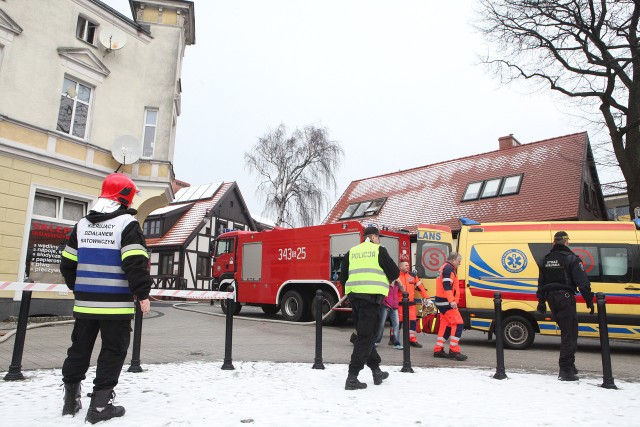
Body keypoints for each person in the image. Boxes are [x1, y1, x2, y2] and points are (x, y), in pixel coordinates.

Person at [60, 173, 152, 423]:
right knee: (112, 352)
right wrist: (143, 293)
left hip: (85, 304)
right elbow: (135, 262)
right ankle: (99, 408)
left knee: (78, 350)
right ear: (126, 198)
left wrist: (79, 289)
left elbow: (67, 264)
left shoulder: (82, 225)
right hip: (116, 306)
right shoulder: (127, 225)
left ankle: (70, 401)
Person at [339, 225, 400, 390]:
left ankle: (376, 371)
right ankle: (352, 378)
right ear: (373, 237)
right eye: (378, 237)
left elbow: (342, 277)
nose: (379, 240)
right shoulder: (379, 250)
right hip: (371, 301)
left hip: (356, 300)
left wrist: (352, 293)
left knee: (366, 336)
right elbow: (394, 273)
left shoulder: (352, 251)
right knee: (365, 338)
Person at [537, 231, 594, 381]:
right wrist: (589, 300)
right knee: (570, 333)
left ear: (554, 243)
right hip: (565, 298)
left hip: (551, 299)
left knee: (566, 332)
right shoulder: (571, 259)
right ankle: (565, 369)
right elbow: (582, 282)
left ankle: (570, 365)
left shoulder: (545, 259)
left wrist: (541, 302)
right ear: (566, 242)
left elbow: (541, 283)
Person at [433, 252, 467, 361]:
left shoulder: (444, 267)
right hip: (446, 302)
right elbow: (447, 286)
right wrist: (452, 301)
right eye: (459, 261)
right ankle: (454, 350)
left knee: (446, 325)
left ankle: (438, 350)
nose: (459, 264)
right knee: (458, 323)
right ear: (453, 260)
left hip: (441, 301)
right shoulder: (449, 269)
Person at [396, 260, 432, 348]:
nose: (408, 266)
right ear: (400, 267)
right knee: (398, 323)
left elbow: (421, 288)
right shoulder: (396, 276)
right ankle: (393, 338)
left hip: (411, 304)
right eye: (406, 265)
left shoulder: (413, 275)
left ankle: (412, 340)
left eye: (408, 265)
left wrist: (427, 298)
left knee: (412, 322)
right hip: (399, 304)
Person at [375, 278, 404, 350]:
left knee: (396, 324)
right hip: (385, 306)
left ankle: (396, 343)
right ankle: (376, 341)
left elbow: (404, 291)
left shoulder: (397, 284)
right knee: (381, 324)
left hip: (394, 306)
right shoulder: (385, 281)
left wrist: (400, 283)